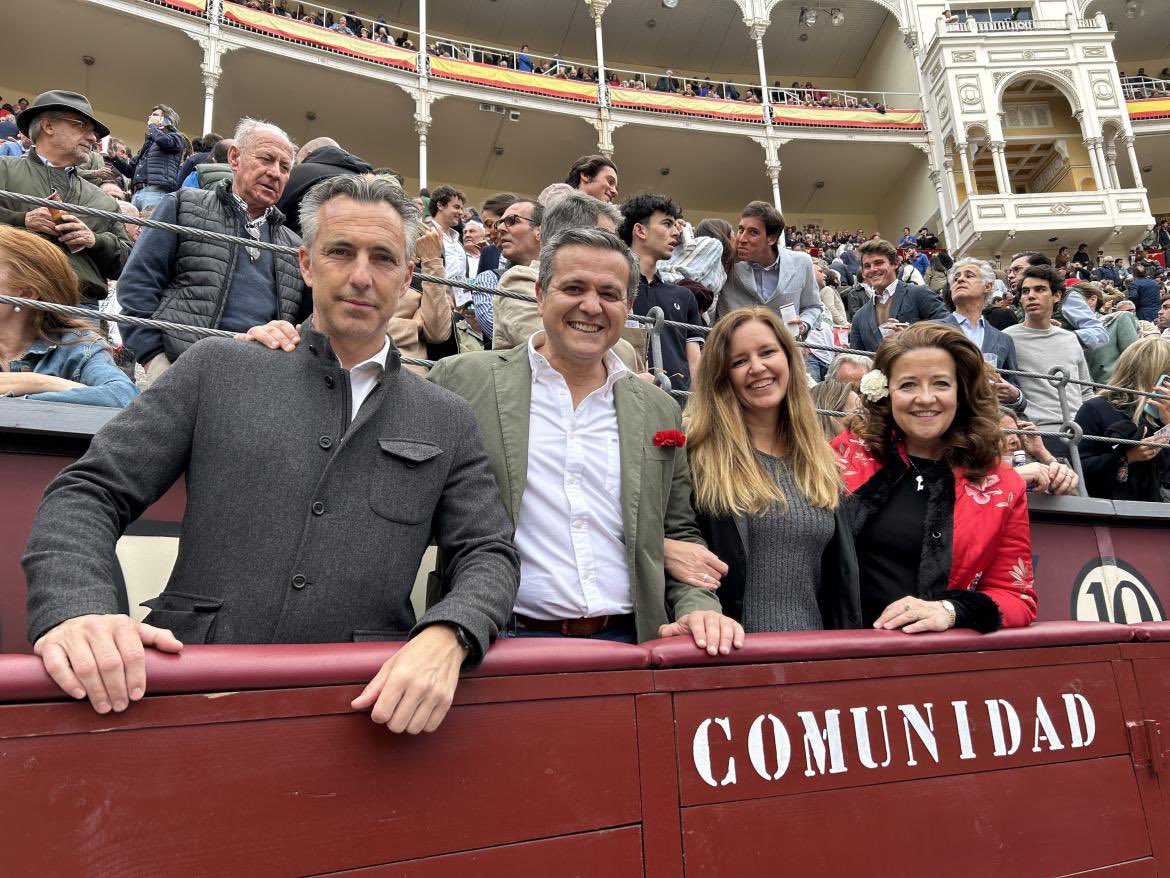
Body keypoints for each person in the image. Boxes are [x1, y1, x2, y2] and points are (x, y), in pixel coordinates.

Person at [24, 174, 521, 731]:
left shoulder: (445, 416)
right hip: (190, 692)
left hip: (364, 707)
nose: (361, 276)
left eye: (383, 258)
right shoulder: (220, 367)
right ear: (307, 264)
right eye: (340, 252)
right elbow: (88, 491)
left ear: (408, 275)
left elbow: (487, 551)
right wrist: (82, 606)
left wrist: (449, 633)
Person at [428, 227, 743, 653]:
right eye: (573, 287)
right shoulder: (462, 381)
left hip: (630, 641)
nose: (591, 306)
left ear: (629, 307)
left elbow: (679, 528)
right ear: (540, 295)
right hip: (498, 643)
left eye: (609, 294)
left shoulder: (659, 408)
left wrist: (698, 606)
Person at [832, 322, 1038, 633]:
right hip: (832, 657)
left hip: (932, 665)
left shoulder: (1003, 486)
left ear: (961, 392)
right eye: (909, 385)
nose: (925, 398)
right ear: (887, 393)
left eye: (940, 383)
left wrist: (951, 609)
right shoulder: (842, 455)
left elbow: (1016, 597)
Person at [684, 307, 860, 631]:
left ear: (789, 359)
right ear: (722, 376)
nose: (757, 367)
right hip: (730, 660)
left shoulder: (820, 460)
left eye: (767, 352)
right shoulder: (697, 457)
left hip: (814, 659)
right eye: (739, 361)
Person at [116, 117, 307, 384]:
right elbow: (137, 288)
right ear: (235, 157)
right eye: (266, 159)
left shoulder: (293, 246)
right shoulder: (183, 205)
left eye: (285, 167)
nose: (275, 172)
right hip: (181, 371)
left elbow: (303, 327)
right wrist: (156, 364)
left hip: (258, 382)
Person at [0, 90, 132, 305]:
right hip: (12, 302)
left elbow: (128, 265)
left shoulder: (104, 201)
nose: (92, 137)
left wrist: (95, 241)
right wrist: (22, 221)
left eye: (94, 132)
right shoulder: (3, 169)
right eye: (81, 125)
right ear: (48, 126)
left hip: (81, 312)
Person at [0, 226, 137, 407]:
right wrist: (46, 384)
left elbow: (125, 398)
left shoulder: (78, 346)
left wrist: (31, 388)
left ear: (26, 294)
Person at [1004, 265, 1093, 456]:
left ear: (1057, 296)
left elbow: (1086, 390)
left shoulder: (1070, 339)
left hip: (1081, 432)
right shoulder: (1006, 339)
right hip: (1037, 434)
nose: (1031, 295)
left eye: (1040, 289)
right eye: (1025, 291)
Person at [620, 195, 703, 391]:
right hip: (626, 399)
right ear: (640, 230)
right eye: (667, 224)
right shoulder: (612, 291)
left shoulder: (684, 296)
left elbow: (695, 364)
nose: (676, 233)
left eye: (675, 225)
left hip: (678, 408)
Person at [1075, 337, 1170, 501]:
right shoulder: (1096, 408)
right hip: (1112, 512)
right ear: (1156, 375)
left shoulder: (1165, 416)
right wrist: (1127, 458)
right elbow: (1078, 468)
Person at [716, 201, 822, 338]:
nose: (742, 239)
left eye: (753, 232)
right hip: (736, 352)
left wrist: (804, 325)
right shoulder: (726, 265)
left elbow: (813, 307)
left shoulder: (802, 262)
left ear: (771, 238)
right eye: (741, 230)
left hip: (785, 352)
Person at [942, 257, 1027, 413]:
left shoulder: (1003, 339)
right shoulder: (931, 329)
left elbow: (1016, 392)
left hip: (987, 421)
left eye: (969, 275)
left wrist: (1015, 396)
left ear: (988, 286)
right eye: (956, 278)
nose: (960, 279)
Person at [848, 238, 948, 353]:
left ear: (895, 263)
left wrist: (911, 336)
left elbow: (950, 327)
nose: (873, 269)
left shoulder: (919, 293)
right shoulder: (859, 317)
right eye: (867, 266)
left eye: (878, 263)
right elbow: (859, 361)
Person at [275, 139, 372, 235]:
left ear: (308, 154)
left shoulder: (298, 172)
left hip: (300, 245)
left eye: (297, 161)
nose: (296, 165)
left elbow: (272, 215)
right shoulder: (367, 181)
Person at [110, 105, 184, 212]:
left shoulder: (176, 137)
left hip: (155, 192)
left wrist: (153, 126)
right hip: (137, 193)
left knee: (149, 228)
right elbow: (130, 171)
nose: (150, 117)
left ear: (167, 120)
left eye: (155, 115)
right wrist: (113, 156)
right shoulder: (149, 143)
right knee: (130, 228)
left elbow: (164, 141)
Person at [1079, 281, 1139, 384]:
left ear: (1092, 300)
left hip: (1114, 390)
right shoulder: (1065, 330)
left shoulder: (1118, 319)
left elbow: (1135, 361)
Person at [424, 185, 467, 279]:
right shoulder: (424, 234)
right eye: (456, 207)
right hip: (437, 292)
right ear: (440, 205)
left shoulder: (458, 240)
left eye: (461, 208)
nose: (461, 212)